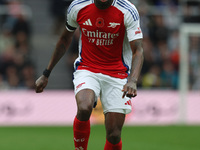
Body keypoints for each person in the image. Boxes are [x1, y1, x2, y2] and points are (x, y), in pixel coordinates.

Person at [35, 0, 144, 149]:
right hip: (87, 68)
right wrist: (46, 73)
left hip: (117, 74)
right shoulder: (78, 6)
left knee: (114, 134)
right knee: (85, 107)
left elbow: (138, 50)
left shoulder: (127, 10)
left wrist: (132, 80)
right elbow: (65, 38)